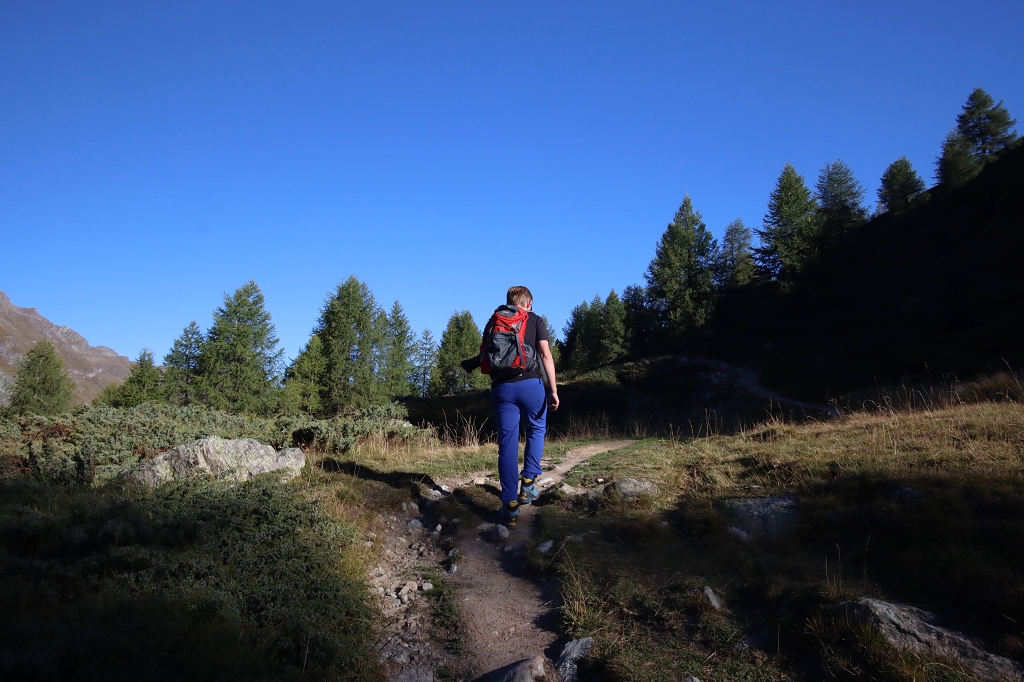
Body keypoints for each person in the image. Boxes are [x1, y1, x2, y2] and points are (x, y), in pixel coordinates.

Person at [487, 285, 559, 527]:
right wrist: (554, 389)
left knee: (507, 443)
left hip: (502, 388)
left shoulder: (494, 319)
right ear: (529, 302)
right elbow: (546, 355)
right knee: (537, 429)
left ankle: (509, 504)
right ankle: (528, 483)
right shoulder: (535, 319)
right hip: (530, 384)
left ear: (509, 301)